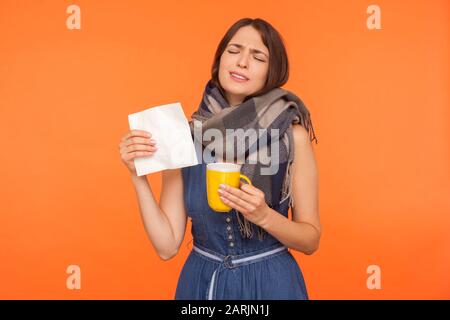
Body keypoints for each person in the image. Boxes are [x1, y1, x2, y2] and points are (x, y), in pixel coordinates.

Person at [118, 17, 321, 300]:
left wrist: (264, 216)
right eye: (234, 50)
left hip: (272, 285)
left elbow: (310, 240)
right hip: (203, 284)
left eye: (258, 56)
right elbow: (166, 247)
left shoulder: (291, 135)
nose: (242, 62)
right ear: (220, 60)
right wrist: (137, 175)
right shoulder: (184, 136)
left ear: (271, 72)